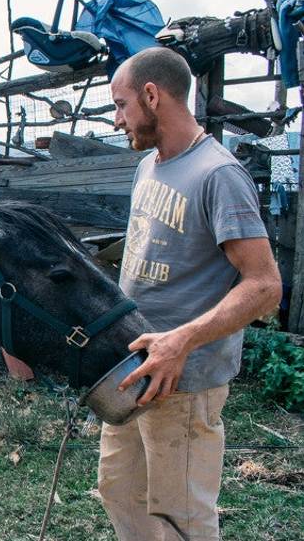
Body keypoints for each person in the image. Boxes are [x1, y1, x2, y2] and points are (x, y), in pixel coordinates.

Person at [99, 47, 282, 541]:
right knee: (119, 490)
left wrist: (181, 340)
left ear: (153, 96)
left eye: (121, 105)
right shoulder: (148, 167)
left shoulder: (218, 175)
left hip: (185, 380)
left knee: (180, 516)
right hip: (132, 371)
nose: (117, 120)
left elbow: (265, 286)